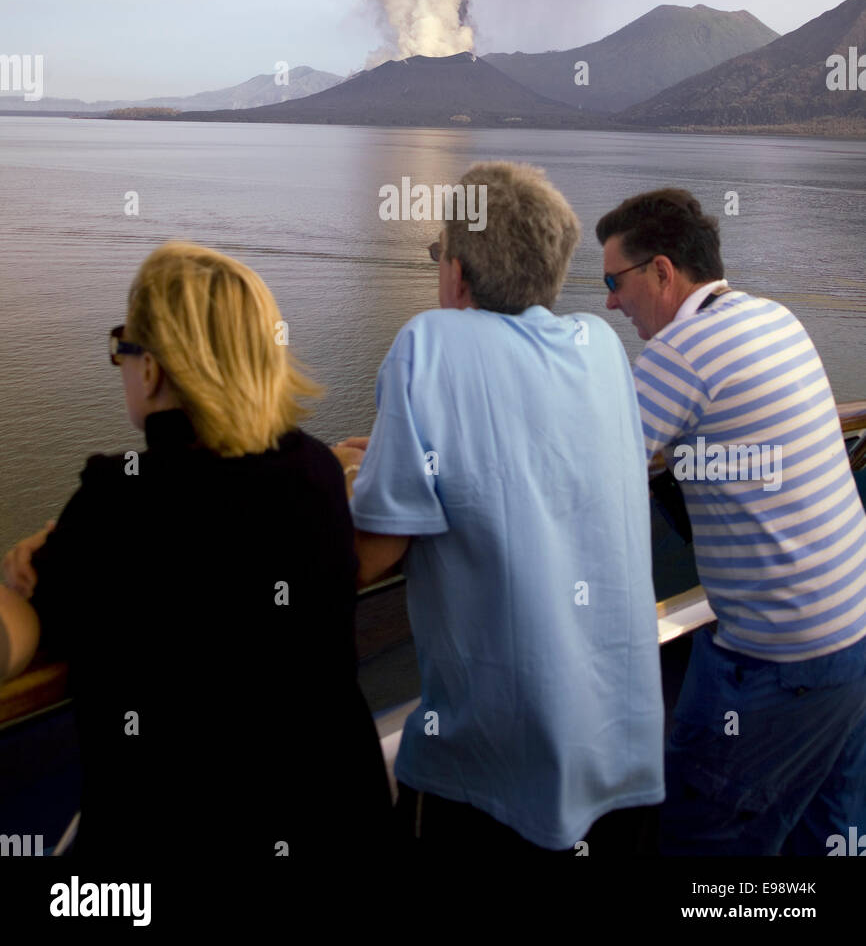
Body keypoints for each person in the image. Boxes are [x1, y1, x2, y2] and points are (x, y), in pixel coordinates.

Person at [0, 241, 392, 879]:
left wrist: (32, 570)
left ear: (150, 368)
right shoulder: (316, 471)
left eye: (121, 345)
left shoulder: (117, 498)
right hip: (343, 833)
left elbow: (21, 631)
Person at [342, 162, 665, 860]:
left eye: (438, 257)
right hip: (623, 765)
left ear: (457, 272)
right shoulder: (600, 348)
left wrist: (336, 484)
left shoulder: (427, 344)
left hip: (494, 782)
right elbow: (518, 443)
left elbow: (372, 554)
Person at [596, 187, 866, 856]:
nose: (607, 302)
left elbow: (579, 471)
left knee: (703, 835)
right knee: (828, 837)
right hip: (851, 632)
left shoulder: (681, 352)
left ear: (661, 271)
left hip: (780, 662)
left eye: (613, 280)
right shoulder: (772, 317)